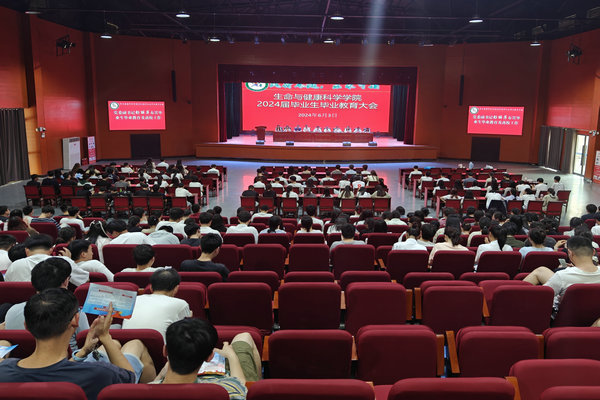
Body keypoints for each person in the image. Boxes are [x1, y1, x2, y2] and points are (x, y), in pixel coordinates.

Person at [0, 288, 156, 398]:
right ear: (75, 321)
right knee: (134, 345)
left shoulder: (4, 370)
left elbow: (48, 372)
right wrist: (105, 337)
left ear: (26, 326)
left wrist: (84, 351)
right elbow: (129, 380)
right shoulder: (99, 373)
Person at [154, 318, 261, 395]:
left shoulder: (146, 392)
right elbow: (241, 384)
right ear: (210, 357)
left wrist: (159, 376)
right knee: (245, 336)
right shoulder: (226, 390)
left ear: (165, 351)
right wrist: (231, 356)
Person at [4, 257, 90, 353]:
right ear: (66, 281)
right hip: (68, 360)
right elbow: (86, 343)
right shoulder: (75, 312)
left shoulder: (12, 311)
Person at [524, 236, 600, 313]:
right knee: (542, 270)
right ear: (593, 252)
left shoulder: (562, 275)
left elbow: (540, 296)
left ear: (570, 253)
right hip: (594, 313)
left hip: (565, 316)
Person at [122, 269, 191, 341]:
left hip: (124, 342)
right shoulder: (181, 304)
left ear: (151, 288)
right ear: (176, 289)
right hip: (159, 346)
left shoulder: (133, 299)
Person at [4, 234, 89, 286]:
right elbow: (85, 281)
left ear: (26, 250)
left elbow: (8, 286)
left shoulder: (14, 265)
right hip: (57, 305)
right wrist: (70, 261)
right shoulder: (64, 261)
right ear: (51, 250)